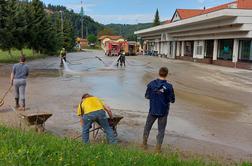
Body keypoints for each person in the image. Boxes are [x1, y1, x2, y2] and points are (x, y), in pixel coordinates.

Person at [143, 67, 175, 153]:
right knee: (161, 130)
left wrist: (155, 95)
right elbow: (172, 100)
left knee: (147, 127)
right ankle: (158, 148)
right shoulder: (169, 87)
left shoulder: (151, 84)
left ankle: (144, 144)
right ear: (166, 74)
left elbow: (146, 96)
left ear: (159, 73)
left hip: (152, 110)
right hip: (163, 112)